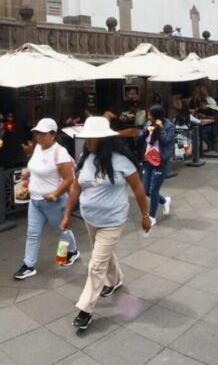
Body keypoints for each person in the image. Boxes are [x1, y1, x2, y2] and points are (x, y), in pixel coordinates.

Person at [60, 117, 151, 331]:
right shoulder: (85, 157)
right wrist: (66, 214)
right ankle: (116, 279)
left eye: (91, 138)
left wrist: (145, 215)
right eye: (86, 138)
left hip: (113, 221)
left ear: (103, 139)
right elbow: (75, 187)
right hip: (90, 219)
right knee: (103, 254)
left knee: (96, 264)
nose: (87, 142)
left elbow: (138, 189)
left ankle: (85, 309)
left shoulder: (121, 160)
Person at [13, 118, 80, 280]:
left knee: (61, 231)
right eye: (37, 133)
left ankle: (71, 252)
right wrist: (27, 172)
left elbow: (69, 179)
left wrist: (55, 195)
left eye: (43, 134)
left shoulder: (60, 152)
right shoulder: (37, 148)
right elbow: (34, 166)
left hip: (54, 202)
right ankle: (28, 265)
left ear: (52, 134)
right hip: (35, 201)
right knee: (32, 233)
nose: (39, 137)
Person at [138, 105, 175, 226]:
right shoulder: (149, 123)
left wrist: (161, 128)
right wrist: (145, 131)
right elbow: (140, 139)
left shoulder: (169, 126)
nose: (148, 116)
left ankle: (152, 216)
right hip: (148, 159)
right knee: (146, 190)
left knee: (154, 190)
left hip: (161, 161)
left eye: (150, 114)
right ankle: (165, 201)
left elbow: (167, 141)